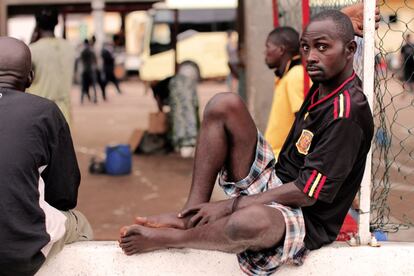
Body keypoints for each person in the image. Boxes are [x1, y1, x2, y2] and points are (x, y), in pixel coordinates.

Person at [0, 37, 93, 276]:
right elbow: (64, 196)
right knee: (79, 223)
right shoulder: (44, 112)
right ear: (30, 77)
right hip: (16, 255)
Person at [264, 26, 310, 159]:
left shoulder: (295, 75)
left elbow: (303, 122)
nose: (265, 52)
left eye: (268, 47)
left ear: (281, 50)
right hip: (275, 156)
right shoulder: (284, 75)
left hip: (281, 160)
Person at [28, 7, 76, 126]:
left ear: (37, 24)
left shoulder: (32, 50)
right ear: (57, 22)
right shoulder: (69, 48)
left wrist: (32, 39)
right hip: (63, 113)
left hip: (39, 113)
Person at [79, 38, 99, 103]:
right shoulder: (91, 50)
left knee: (83, 85)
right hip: (91, 69)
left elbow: (80, 59)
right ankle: (95, 98)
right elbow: (95, 60)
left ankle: (81, 99)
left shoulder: (82, 50)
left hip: (84, 70)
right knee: (94, 85)